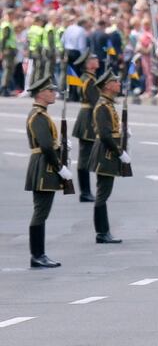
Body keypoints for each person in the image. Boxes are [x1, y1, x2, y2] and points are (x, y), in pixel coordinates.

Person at [25, 78, 73, 268]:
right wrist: (60, 167)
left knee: (42, 211)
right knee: (41, 212)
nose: (54, 93)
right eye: (50, 91)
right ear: (40, 94)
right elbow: (45, 145)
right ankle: (37, 255)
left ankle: (39, 254)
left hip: (44, 164)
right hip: (44, 166)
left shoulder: (42, 115)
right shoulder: (38, 116)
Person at [89, 70, 132, 244]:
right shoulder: (102, 106)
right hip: (105, 154)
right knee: (102, 194)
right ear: (107, 85)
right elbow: (105, 135)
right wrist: (120, 152)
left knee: (103, 194)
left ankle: (103, 232)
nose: (119, 84)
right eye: (116, 81)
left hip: (108, 153)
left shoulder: (107, 104)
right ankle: (102, 232)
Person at [71, 51, 100, 202]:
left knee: (86, 157)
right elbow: (96, 102)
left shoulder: (89, 78)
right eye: (93, 59)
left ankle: (86, 192)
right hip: (88, 119)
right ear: (87, 64)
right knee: (84, 158)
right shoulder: (89, 80)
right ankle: (85, 192)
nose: (96, 60)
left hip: (87, 116)